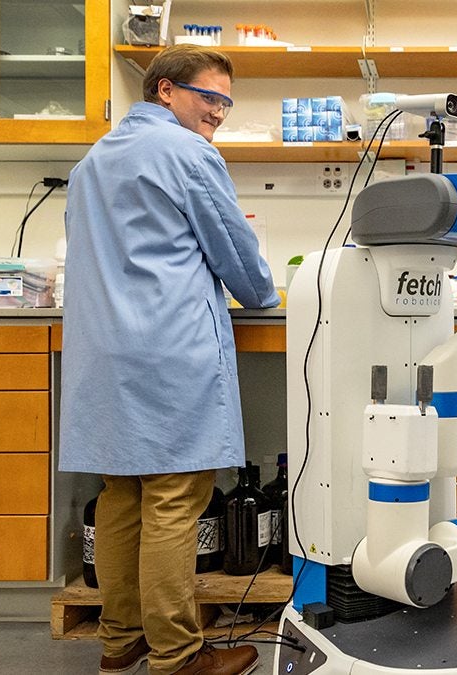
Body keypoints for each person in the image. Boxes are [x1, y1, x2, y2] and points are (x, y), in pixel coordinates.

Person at [60, 44, 280, 675]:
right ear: (164, 90)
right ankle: (178, 654)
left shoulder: (92, 161)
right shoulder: (188, 153)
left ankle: (120, 639)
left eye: (227, 103)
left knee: (122, 496)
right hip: (166, 349)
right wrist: (263, 294)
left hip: (104, 355)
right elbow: (237, 256)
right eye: (210, 97)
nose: (219, 113)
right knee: (174, 500)